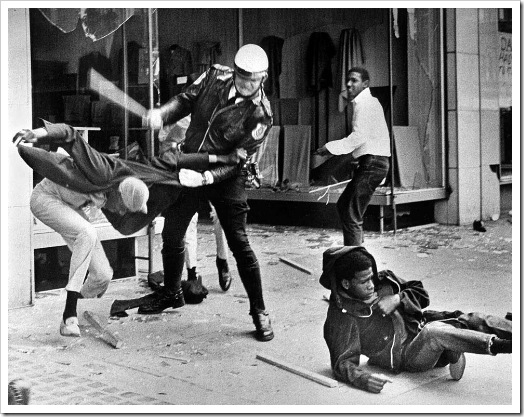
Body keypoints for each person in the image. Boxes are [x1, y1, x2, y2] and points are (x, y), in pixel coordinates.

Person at [13, 121, 245, 336]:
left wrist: (223, 158)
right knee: (87, 232)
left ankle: (83, 309)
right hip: (46, 198)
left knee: (103, 276)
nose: (122, 213)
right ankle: (69, 315)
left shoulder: (133, 179)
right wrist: (38, 135)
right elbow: (69, 134)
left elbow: (179, 159)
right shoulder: (103, 169)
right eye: (124, 209)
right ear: (119, 196)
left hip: (72, 208)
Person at [141, 44, 274, 342]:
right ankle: (172, 292)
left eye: (252, 80)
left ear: (262, 77)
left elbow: (237, 160)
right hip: (189, 162)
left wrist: (205, 178)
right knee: (173, 233)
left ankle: (259, 311)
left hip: (225, 176)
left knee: (239, 243)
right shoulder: (215, 75)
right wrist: (162, 114)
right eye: (241, 76)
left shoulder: (261, 115)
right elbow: (185, 100)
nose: (245, 83)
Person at [320, 246, 512, 394]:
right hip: (408, 355)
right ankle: (504, 346)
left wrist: (398, 299)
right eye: (364, 282)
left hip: (421, 323)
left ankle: (458, 345)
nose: (371, 285)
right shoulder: (342, 316)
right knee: (433, 333)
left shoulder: (384, 280)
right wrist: (363, 379)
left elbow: (421, 294)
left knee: (471, 318)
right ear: (345, 283)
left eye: (371, 277)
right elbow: (342, 362)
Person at [314, 67, 390, 246]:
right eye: (348, 80)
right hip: (374, 162)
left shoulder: (365, 104)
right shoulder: (368, 103)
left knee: (350, 212)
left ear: (365, 84)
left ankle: (356, 262)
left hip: (373, 163)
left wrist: (329, 148)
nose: (348, 84)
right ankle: (357, 254)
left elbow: (358, 137)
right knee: (346, 207)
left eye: (354, 80)